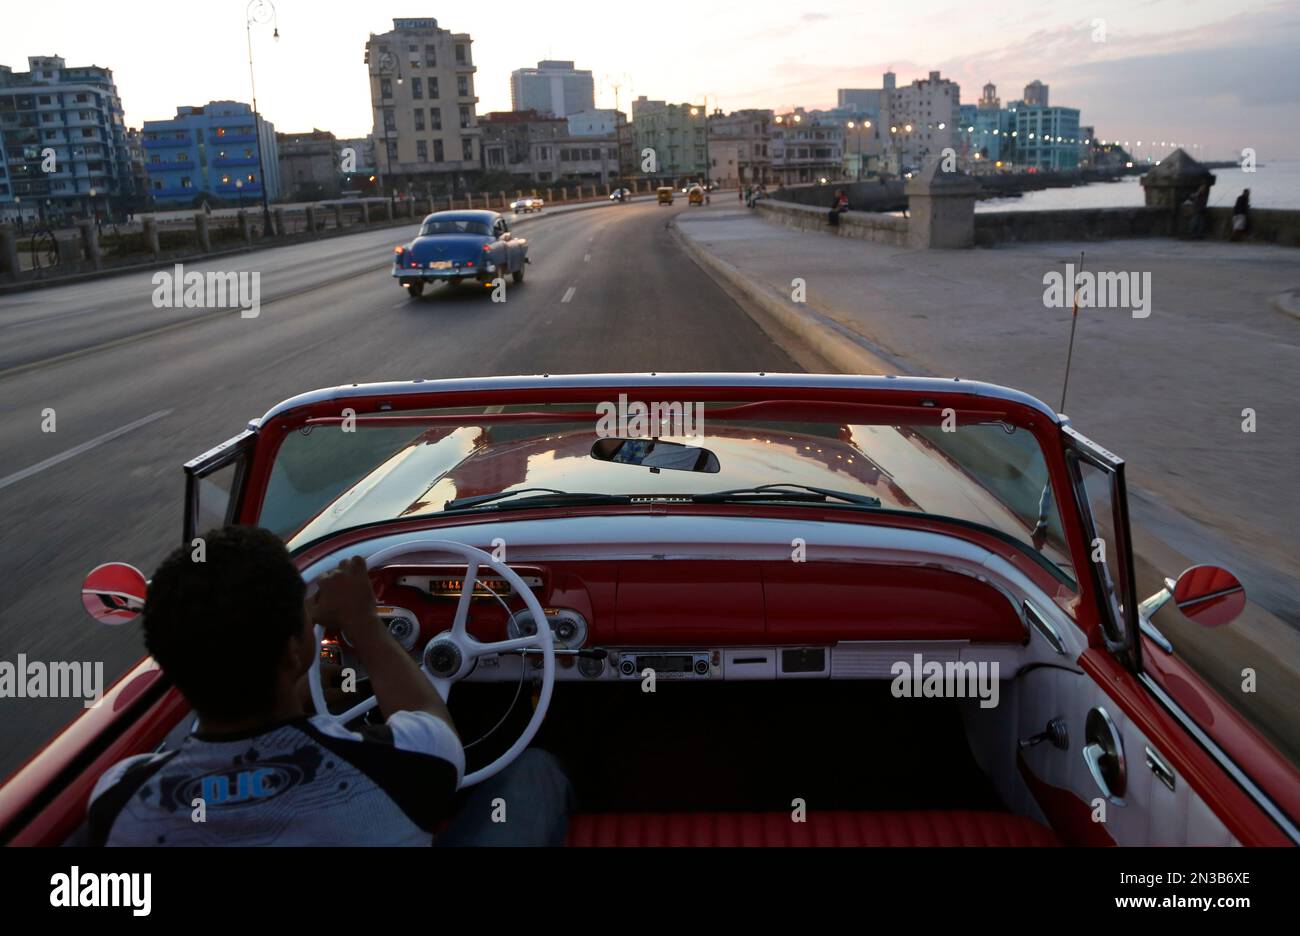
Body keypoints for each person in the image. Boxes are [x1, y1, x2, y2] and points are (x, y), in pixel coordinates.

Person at [86, 525, 573, 846]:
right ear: (297, 651)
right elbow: (435, 728)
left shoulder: (120, 799)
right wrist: (365, 626)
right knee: (533, 768)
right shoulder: (402, 767)